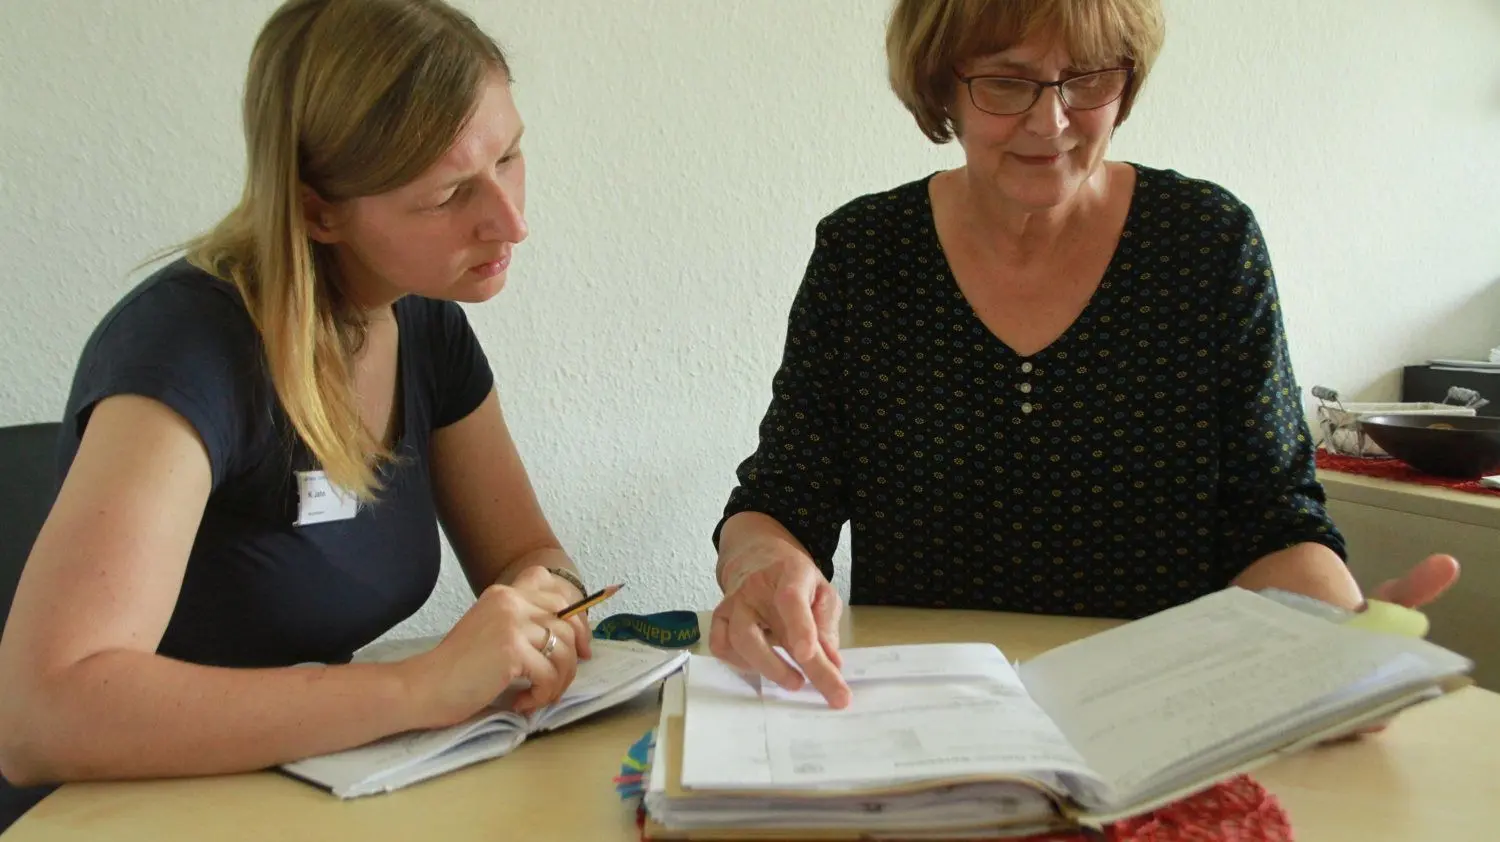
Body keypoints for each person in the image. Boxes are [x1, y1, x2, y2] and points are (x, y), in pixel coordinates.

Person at [708, 0, 1460, 709]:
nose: (1051, 121)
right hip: (922, 712)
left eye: (1089, 79)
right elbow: (783, 499)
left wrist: (1333, 645)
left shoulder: (1205, 243)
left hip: (1164, 712)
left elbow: (1274, 520)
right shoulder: (865, 252)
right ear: (941, 86)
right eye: (1007, 82)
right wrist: (764, 567)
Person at [0, 0, 593, 828]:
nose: (512, 221)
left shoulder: (425, 322)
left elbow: (528, 555)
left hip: (302, 792)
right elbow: (40, 718)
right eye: (450, 193)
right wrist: (414, 688)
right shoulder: (185, 352)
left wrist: (547, 604)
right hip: (123, 813)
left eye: (510, 155)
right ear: (319, 211)